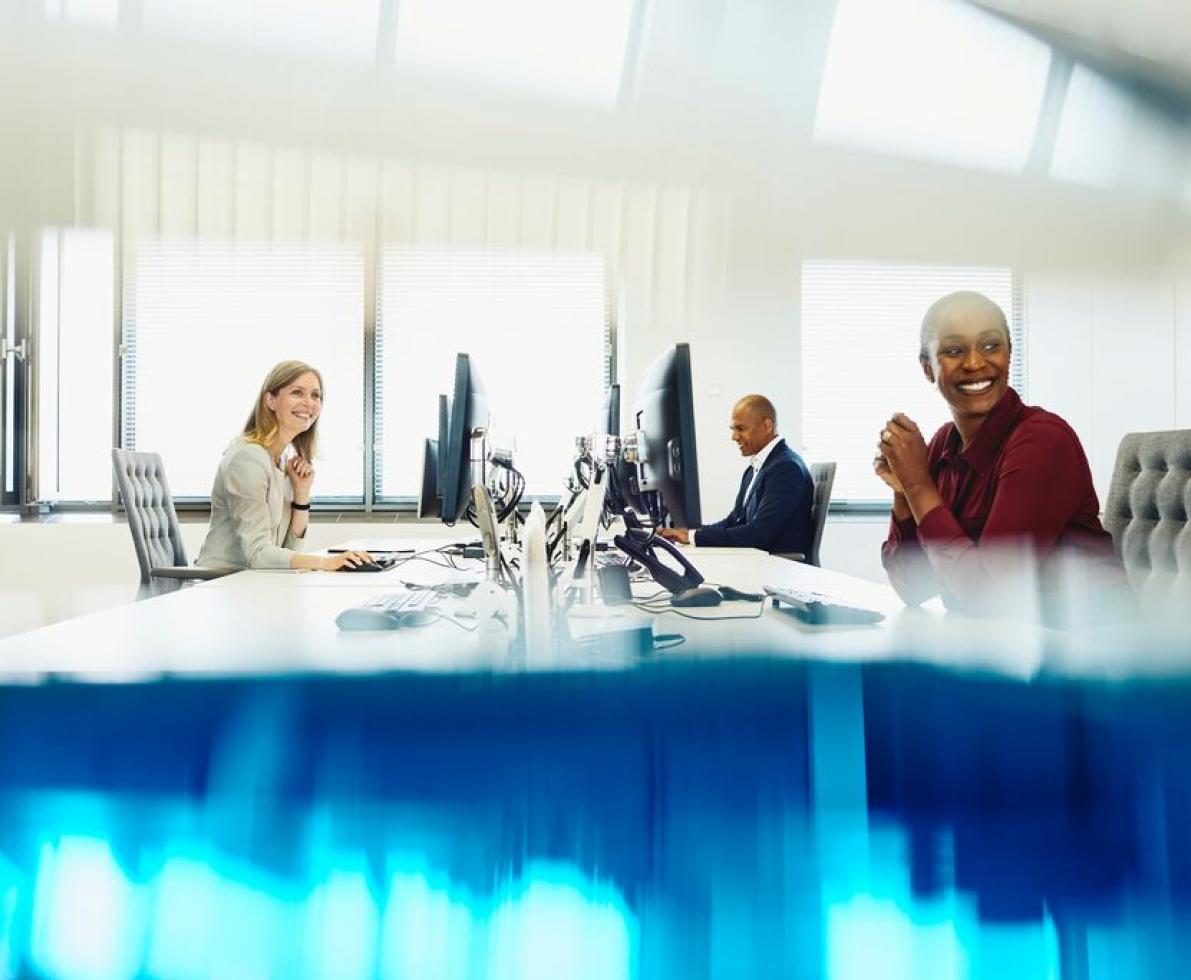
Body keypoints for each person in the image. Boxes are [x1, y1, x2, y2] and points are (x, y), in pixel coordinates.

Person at [876, 291, 1125, 616]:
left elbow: (992, 598)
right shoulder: (941, 446)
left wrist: (919, 486)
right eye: (953, 350)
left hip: (1088, 646)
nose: (976, 362)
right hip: (1003, 644)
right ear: (927, 368)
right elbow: (913, 588)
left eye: (991, 345)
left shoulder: (1043, 440)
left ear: (1009, 354)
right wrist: (904, 493)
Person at [197, 360, 371, 571]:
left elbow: (287, 550)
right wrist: (324, 563)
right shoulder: (247, 459)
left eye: (316, 395)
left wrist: (302, 494)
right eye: (297, 392)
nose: (309, 403)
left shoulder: (280, 459)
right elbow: (258, 554)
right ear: (270, 400)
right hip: (221, 586)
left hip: (257, 583)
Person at [658, 394, 813, 555]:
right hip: (760, 560)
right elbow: (734, 521)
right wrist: (690, 533)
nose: (734, 437)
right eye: (733, 430)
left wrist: (693, 537)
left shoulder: (786, 468)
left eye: (741, 428)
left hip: (779, 567)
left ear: (767, 426)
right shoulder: (757, 467)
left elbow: (759, 534)